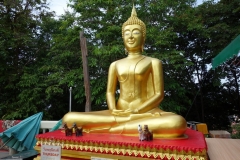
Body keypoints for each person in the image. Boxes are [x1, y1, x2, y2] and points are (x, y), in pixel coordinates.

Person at [62, 5, 187, 138]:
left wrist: (137, 111)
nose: (131, 36)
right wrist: (113, 110)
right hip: (117, 114)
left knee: (177, 123)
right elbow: (110, 92)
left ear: (143, 37)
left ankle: (118, 128)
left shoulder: (153, 62)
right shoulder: (115, 64)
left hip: (145, 112)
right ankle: (129, 127)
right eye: (127, 33)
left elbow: (158, 94)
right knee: (69, 118)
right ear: (123, 37)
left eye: (136, 32)